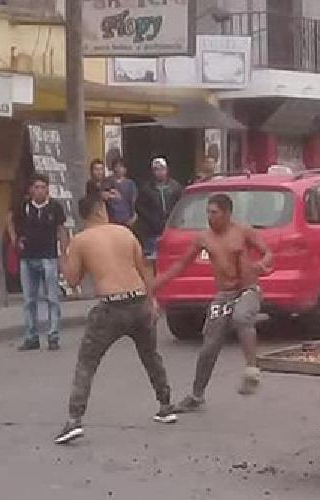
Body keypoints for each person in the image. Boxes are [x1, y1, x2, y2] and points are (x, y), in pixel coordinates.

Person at [54, 194, 177, 444]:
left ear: (84, 215)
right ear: (101, 211)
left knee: (87, 363)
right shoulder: (124, 232)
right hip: (139, 300)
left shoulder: (81, 240)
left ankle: (74, 420)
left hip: (111, 306)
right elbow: (145, 269)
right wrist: (152, 302)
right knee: (150, 356)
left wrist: (63, 255)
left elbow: (72, 280)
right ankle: (166, 405)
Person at [152, 193, 275, 411]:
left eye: (214, 213)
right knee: (209, 346)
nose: (209, 217)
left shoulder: (243, 231)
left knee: (241, 317)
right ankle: (196, 395)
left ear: (227, 214)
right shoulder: (204, 238)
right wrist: (154, 286)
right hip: (224, 295)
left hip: (247, 290)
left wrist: (261, 265)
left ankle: (252, 370)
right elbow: (181, 265)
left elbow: (268, 253)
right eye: (207, 212)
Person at [8, 174, 70, 351]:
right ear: (31, 189)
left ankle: (53, 335)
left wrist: (63, 255)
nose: (40, 190)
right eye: (36, 187)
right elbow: (10, 219)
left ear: (47, 189)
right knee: (29, 300)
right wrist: (15, 240)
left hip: (48, 257)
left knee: (52, 298)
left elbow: (62, 230)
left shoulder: (55, 207)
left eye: (43, 187)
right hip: (27, 258)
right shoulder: (24, 207)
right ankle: (31, 336)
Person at [135, 157, 183, 262]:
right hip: (152, 232)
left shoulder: (176, 188)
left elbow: (181, 207)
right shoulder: (146, 189)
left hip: (172, 229)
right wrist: (152, 220)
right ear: (153, 172)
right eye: (157, 169)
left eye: (162, 169)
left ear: (167, 170)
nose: (160, 172)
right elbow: (140, 207)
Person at [107, 157, 138, 231]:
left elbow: (134, 202)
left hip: (126, 219)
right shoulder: (108, 182)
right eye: (116, 166)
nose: (118, 169)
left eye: (121, 166)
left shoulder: (130, 184)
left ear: (125, 169)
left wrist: (134, 217)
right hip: (111, 220)